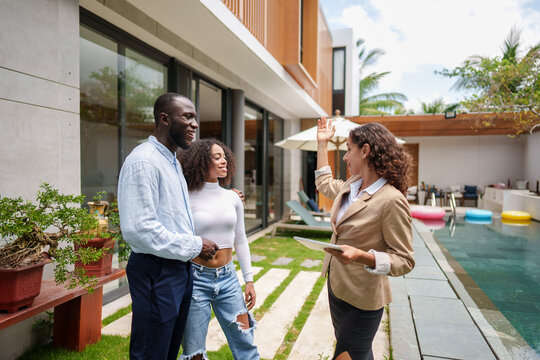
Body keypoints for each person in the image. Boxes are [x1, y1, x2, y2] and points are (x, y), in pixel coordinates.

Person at [118, 93, 219, 360]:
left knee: (168, 349)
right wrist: (195, 244)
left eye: (195, 117)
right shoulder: (144, 161)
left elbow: (171, 217)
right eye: (187, 116)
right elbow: (140, 230)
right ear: (164, 119)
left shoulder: (172, 161)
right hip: (156, 270)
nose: (194, 124)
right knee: (152, 350)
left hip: (177, 269)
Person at [315, 117, 415, 360]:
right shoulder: (353, 185)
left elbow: (405, 260)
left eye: (349, 150)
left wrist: (362, 257)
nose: (346, 157)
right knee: (358, 354)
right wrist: (321, 144)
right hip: (337, 288)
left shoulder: (391, 199)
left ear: (366, 150)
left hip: (363, 299)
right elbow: (324, 183)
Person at [178, 138, 260, 360]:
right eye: (217, 158)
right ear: (202, 162)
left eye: (224, 157)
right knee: (194, 351)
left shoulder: (232, 197)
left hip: (228, 278)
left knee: (246, 340)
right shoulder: (184, 197)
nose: (224, 161)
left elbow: (240, 239)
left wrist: (249, 280)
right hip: (196, 279)